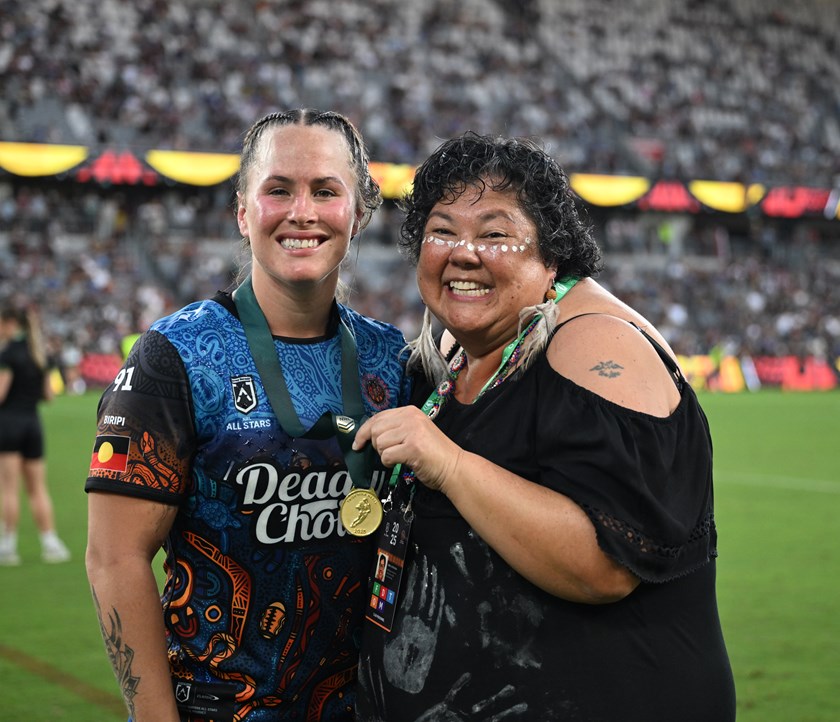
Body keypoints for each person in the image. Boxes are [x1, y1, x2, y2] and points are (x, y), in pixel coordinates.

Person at [353, 132, 736, 721]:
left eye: (495, 233)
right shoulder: (458, 348)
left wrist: (451, 465)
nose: (463, 251)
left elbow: (605, 566)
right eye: (442, 229)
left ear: (550, 253)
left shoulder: (593, 342)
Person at [85, 109, 411, 722]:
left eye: (325, 190)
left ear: (359, 213)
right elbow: (114, 556)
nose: (302, 212)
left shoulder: (390, 359)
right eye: (278, 189)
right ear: (243, 211)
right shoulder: (174, 356)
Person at [0, 304, 71, 566]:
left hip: (8, 425)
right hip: (33, 424)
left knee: (8, 488)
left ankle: (7, 546)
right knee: (38, 489)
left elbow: (1, 394)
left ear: (9, 323)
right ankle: (51, 542)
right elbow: (49, 397)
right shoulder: (39, 353)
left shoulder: (8, 354)